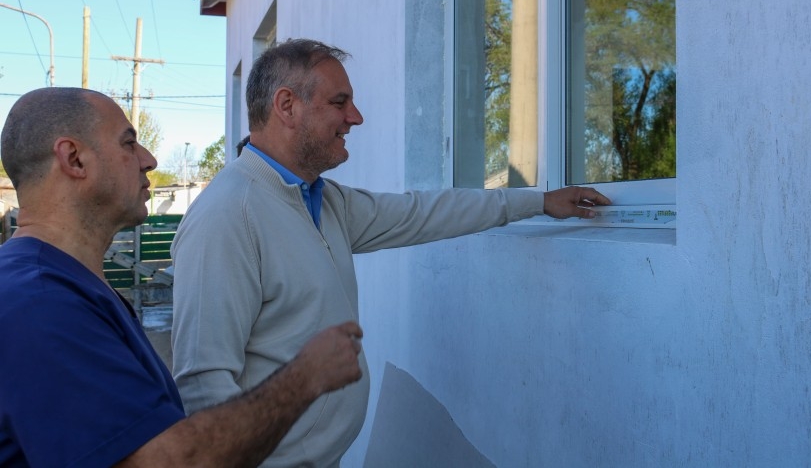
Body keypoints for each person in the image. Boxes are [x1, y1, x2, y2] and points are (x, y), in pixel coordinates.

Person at [170, 39, 612, 467]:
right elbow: (203, 387)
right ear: (287, 106)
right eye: (340, 102)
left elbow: (423, 213)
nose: (356, 117)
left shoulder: (322, 201)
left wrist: (538, 202)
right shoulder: (228, 215)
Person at [0, 87, 363, 467]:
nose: (150, 160)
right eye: (129, 143)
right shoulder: (40, 303)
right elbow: (164, 462)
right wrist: (305, 377)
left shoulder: (59, 284)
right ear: (74, 158)